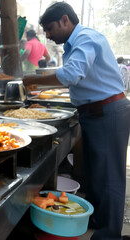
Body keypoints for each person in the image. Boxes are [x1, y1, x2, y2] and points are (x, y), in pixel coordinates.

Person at [23, 3, 130, 240]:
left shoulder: (86, 38)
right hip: (94, 113)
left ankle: (109, 235)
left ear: (65, 20)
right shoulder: (74, 44)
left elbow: (72, 75)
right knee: (95, 174)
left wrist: (34, 79)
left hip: (108, 112)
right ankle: (97, 218)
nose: (48, 35)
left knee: (109, 177)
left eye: (50, 29)